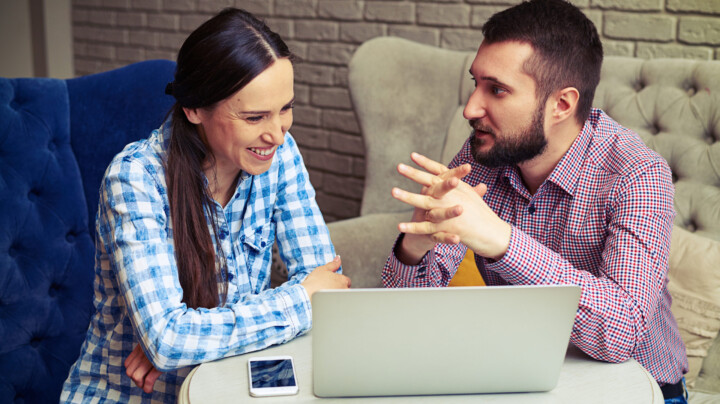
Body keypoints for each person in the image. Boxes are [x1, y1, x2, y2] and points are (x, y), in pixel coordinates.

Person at [382, 1, 688, 402]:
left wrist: (502, 241)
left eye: (497, 90)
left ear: (561, 104)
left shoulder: (636, 174)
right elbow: (401, 318)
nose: (471, 108)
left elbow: (621, 333)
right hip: (521, 380)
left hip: (640, 389)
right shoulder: (484, 153)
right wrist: (416, 247)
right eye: (475, 83)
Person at [61, 8, 350, 403]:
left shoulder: (279, 155)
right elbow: (168, 340)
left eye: (285, 109)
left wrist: (190, 339)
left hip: (229, 385)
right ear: (194, 109)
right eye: (254, 116)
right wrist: (298, 299)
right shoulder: (134, 179)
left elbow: (328, 288)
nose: (277, 134)